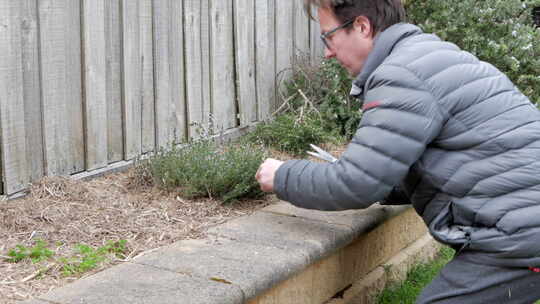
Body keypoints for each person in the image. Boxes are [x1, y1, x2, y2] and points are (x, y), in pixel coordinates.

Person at [255, 0, 540, 303]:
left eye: (329, 36)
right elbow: (464, 160)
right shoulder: (429, 57)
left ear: (362, 27)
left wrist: (283, 175)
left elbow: (355, 184)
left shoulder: (402, 74)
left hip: (520, 234)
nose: (327, 51)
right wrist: (386, 185)